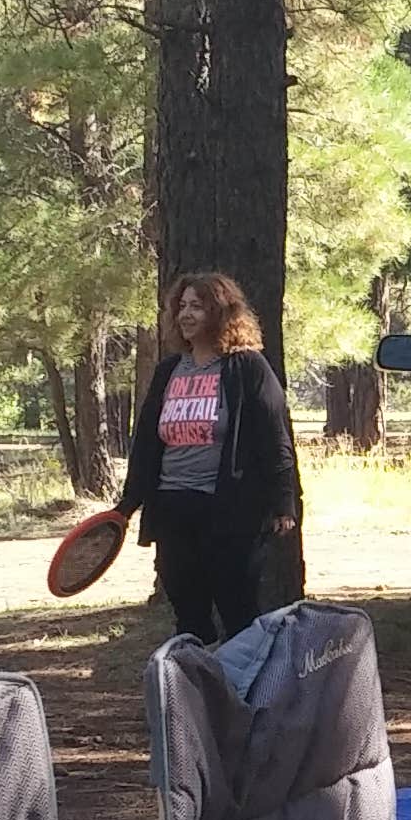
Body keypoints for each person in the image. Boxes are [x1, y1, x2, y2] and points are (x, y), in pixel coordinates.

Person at [120, 268, 303, 642]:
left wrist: (284, 502)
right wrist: (128, 504)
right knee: (188, 615)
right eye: (182, 306)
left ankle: (245, 693)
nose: (186, 314)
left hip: (229, 512)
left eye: (197, 307)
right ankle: (194, 691)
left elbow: (274, 436)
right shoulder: (169, 371)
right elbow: (146, 444)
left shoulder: (246, 367)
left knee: (239, 614)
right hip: (173, 509)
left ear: (220, 313)